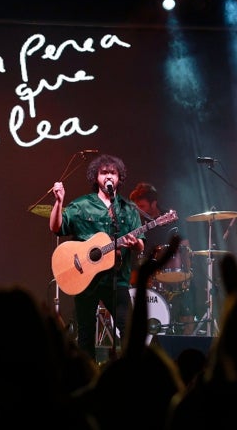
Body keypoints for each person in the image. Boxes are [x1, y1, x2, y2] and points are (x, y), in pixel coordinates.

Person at [49, 153, 144, 362]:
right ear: (96, 177)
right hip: (84, 277)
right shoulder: (81, 205)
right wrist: (59, 202)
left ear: (119, 177)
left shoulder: (128, 209)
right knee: (85, 334)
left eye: (113, 173)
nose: (109, 177)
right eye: (104, 173)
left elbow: (140, 244)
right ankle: (87, 378)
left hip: (116, 278)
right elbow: (56, 227)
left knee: (129, 328)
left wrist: (135, 242)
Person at [129, 182, 196, 335]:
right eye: (137, 207)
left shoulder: (169, 218)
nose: (140, 210)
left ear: (154, 203)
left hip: (170, 270)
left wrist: (188, 270)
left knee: (189, 292)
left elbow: (185, 246)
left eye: (143, 206)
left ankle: (185, 341)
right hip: (142, 271)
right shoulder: (136, 221)